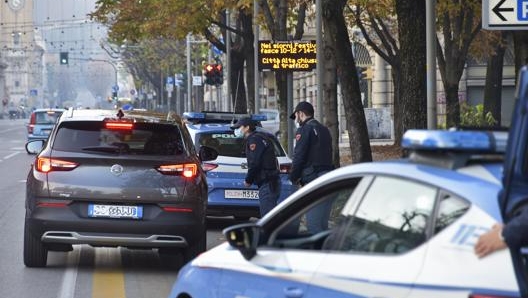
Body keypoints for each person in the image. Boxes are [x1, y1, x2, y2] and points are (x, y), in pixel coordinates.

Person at [289, 101, 334, 234]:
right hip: (329, 179)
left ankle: (318, 253)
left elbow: (299, 156)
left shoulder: (304, 130)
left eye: (296, 115)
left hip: (314, 182)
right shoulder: (325, 129)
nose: (296, 119)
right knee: (323, 224)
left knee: (314, 225)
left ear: (301, 114)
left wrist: (293, 177)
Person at [231, 117, 281, 217]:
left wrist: (248, 180)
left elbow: (255, 163)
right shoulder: (261, 137)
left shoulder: (254, 140)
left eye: (239, 127)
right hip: (270, 182)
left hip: (267, 183)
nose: (237, 130)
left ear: (247, 128)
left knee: (268, 217)